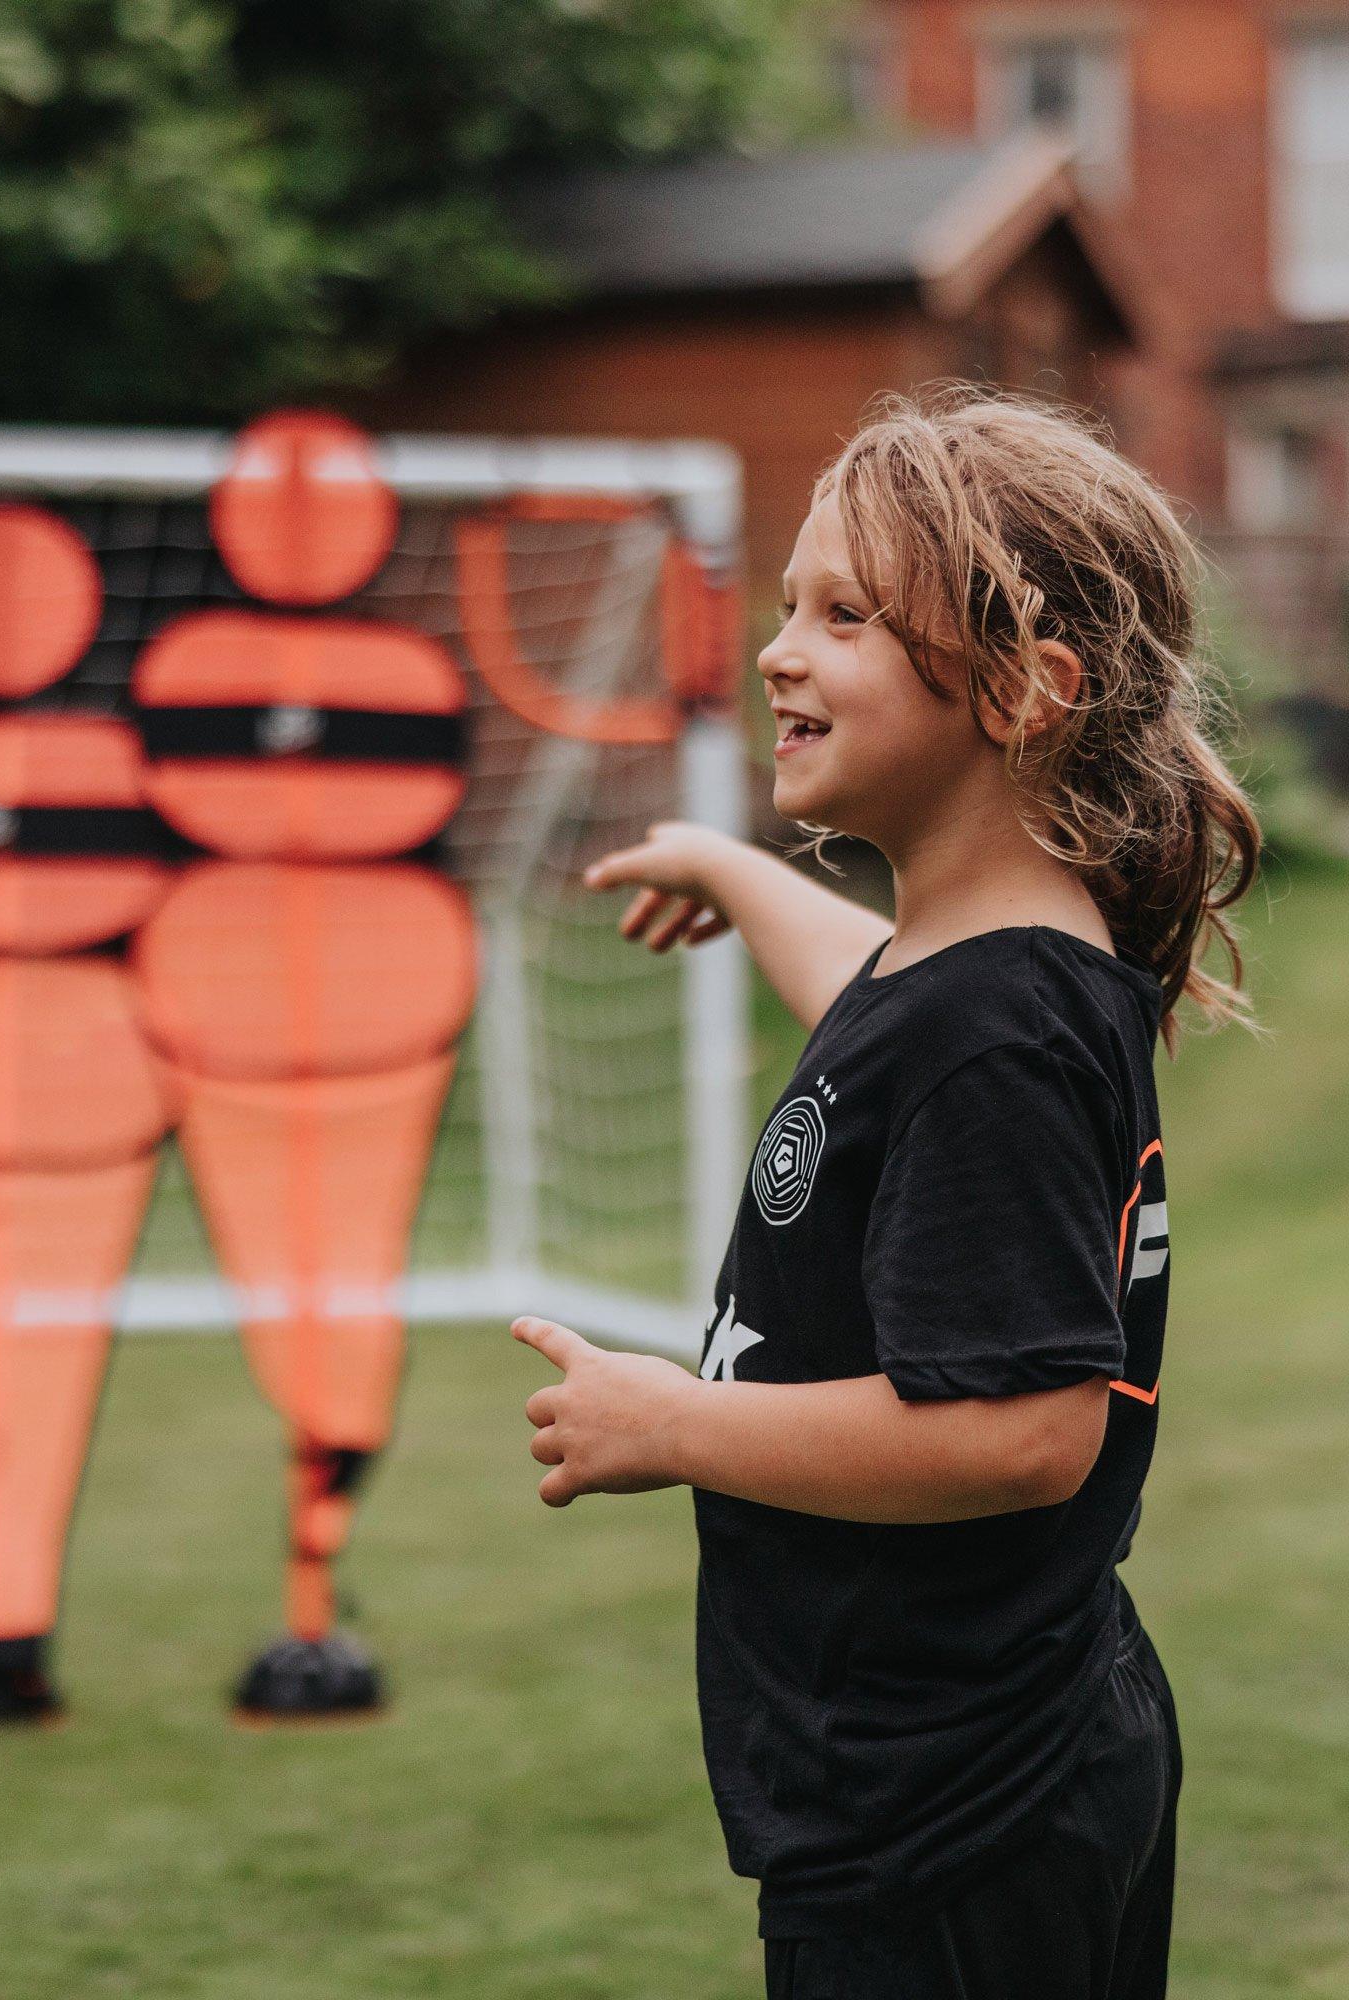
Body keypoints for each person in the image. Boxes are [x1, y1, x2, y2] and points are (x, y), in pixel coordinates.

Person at [513, 387, 1264, 2000]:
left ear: (1023, 690)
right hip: (1011, 1758)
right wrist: (731, 872)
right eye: (790, 606)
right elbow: (872, 994)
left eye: (844, 614)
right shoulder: (990, 971)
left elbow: (1021, 1433)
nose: (782, 650)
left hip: (945, 1812)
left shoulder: (991, 1028)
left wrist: (676, 1426)